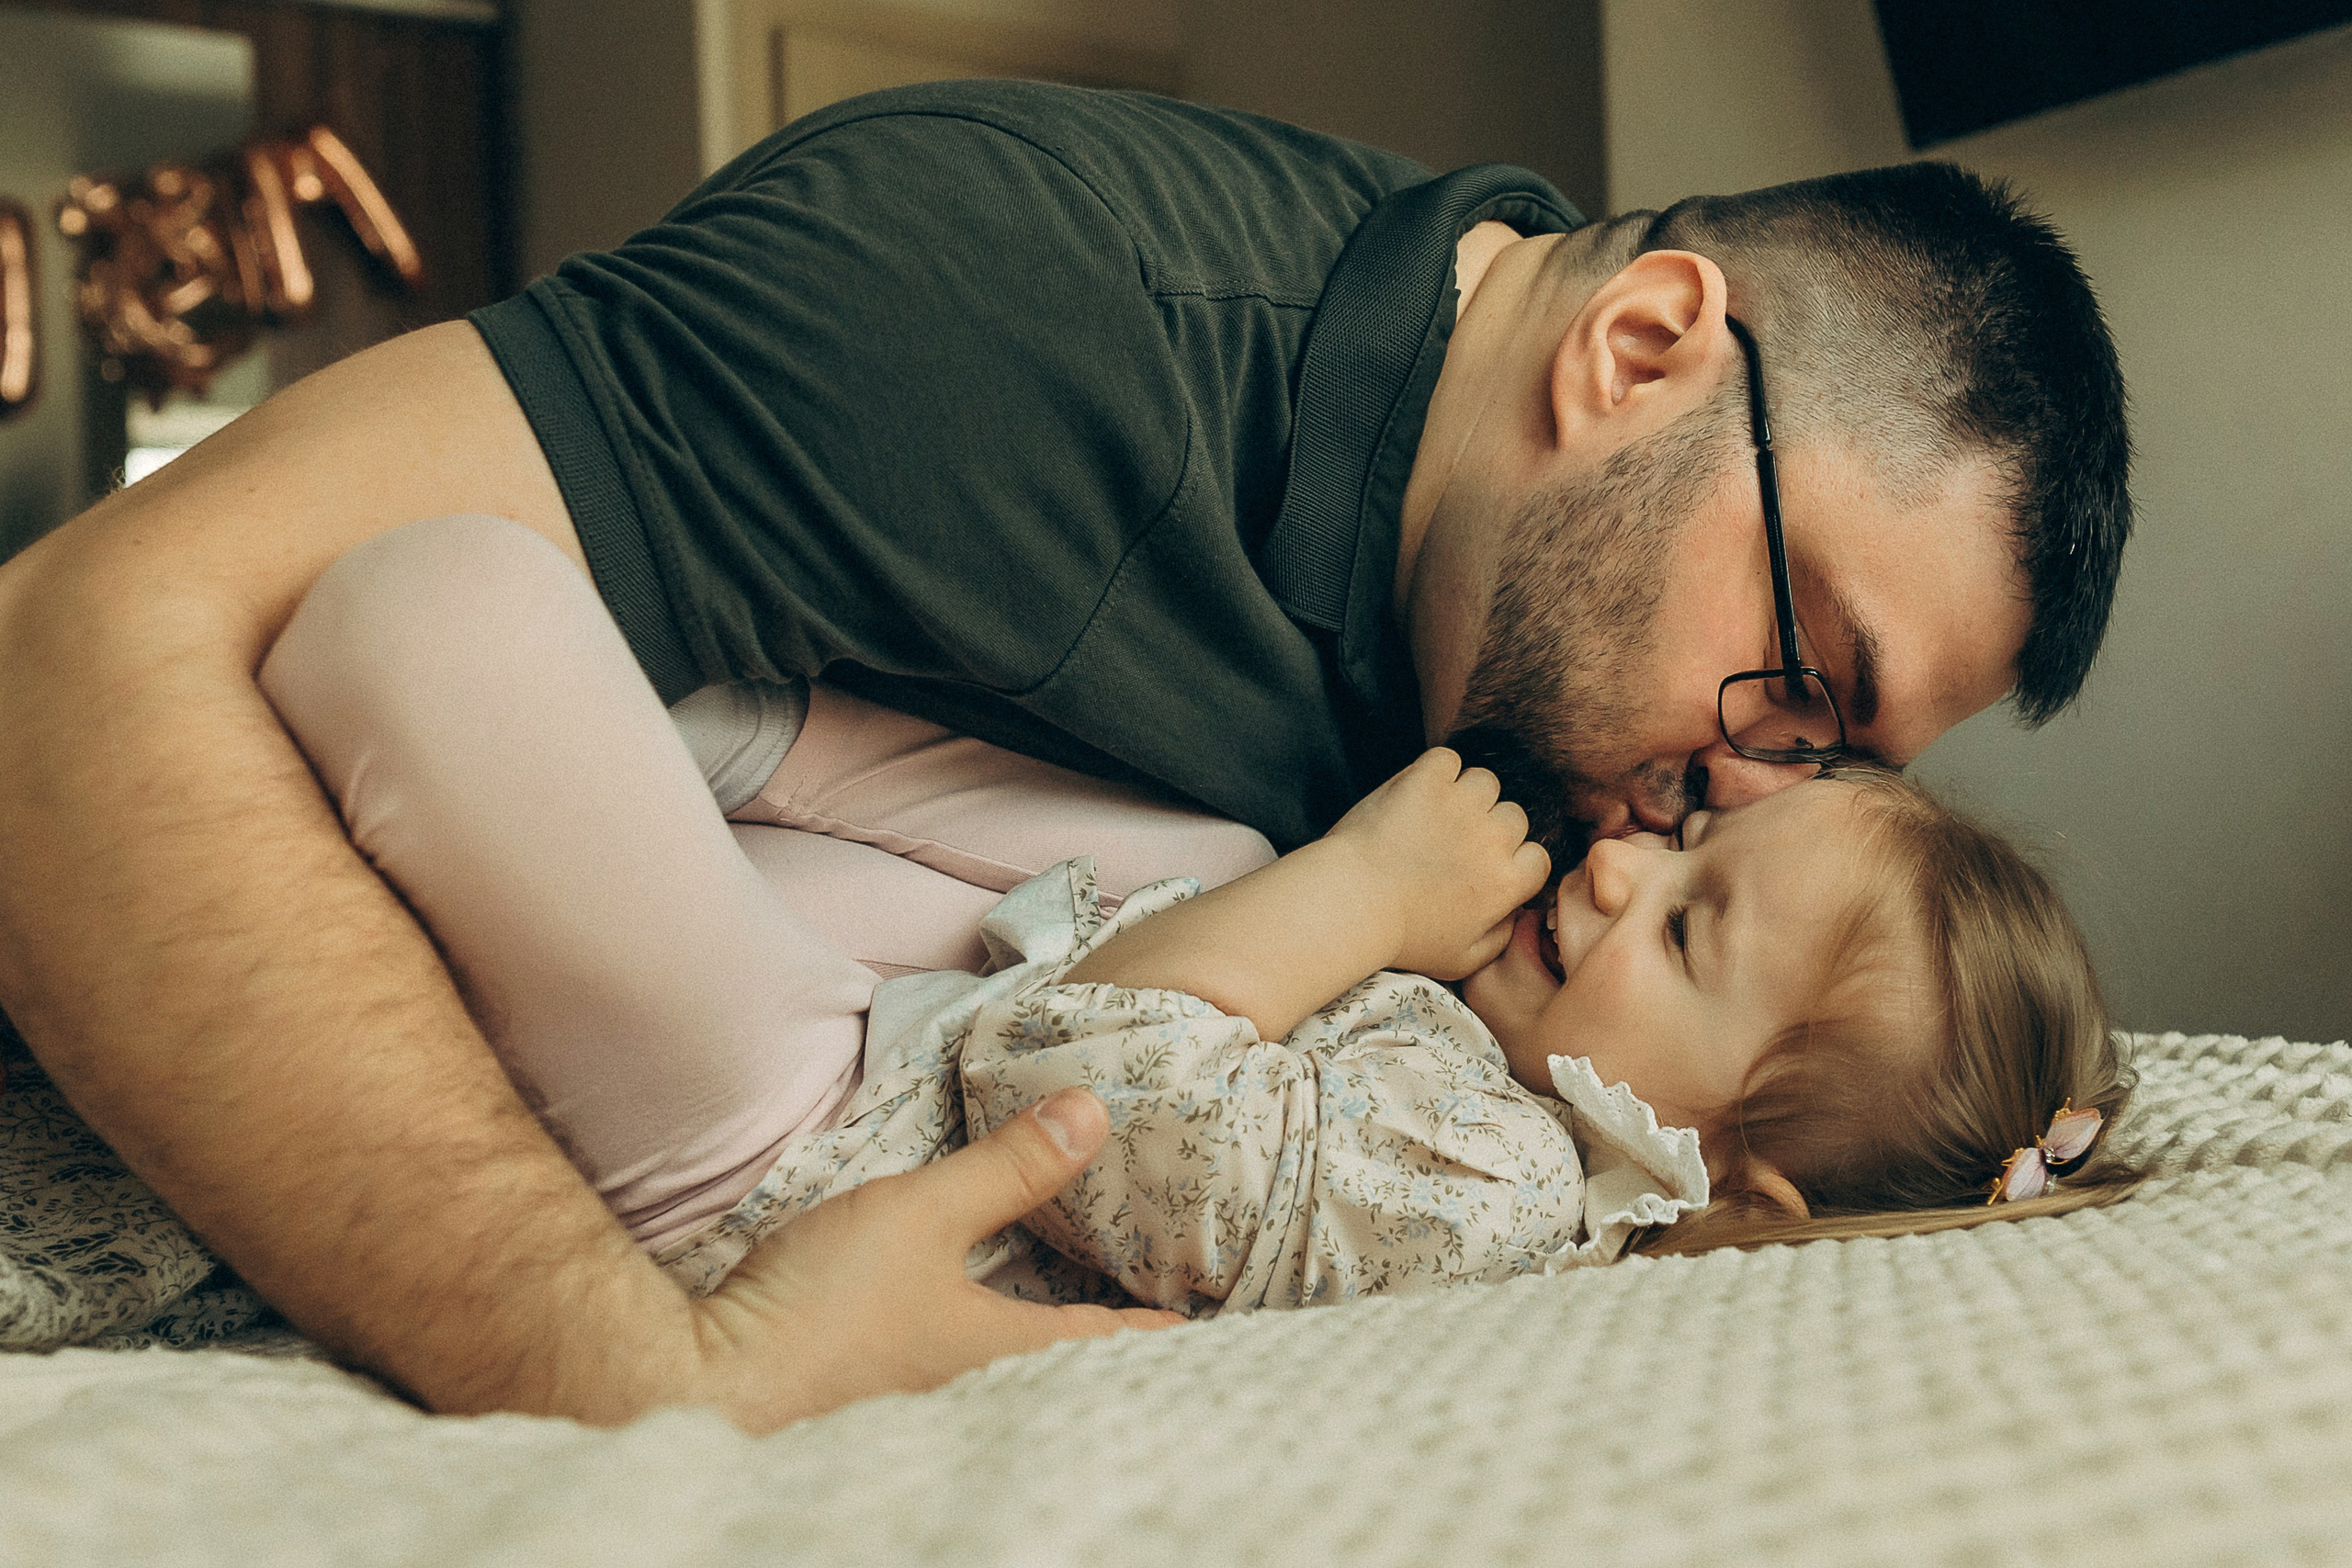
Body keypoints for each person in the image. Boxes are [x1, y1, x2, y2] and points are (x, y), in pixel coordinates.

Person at [0, 81, 2131, 1427]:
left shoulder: (1517, 805)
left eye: (1825, 770)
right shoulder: (988, 304)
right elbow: (76, 650)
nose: (1725, 796)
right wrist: (632, 1360)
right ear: (1640, 348)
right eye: (1792, 677)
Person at [257, 513, 2135, 1319]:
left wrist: (1364, 888)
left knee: (441, 605)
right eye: (1695, 841)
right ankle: (732, 743)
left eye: (1686, 933)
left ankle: (623, 736)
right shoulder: (1486, 1071)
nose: (1623, 861)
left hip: (795, 1169)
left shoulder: (1485, 1192)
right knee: (1220, 850)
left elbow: (1059, 1068)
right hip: (883, 1030)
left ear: (1728, 1179)